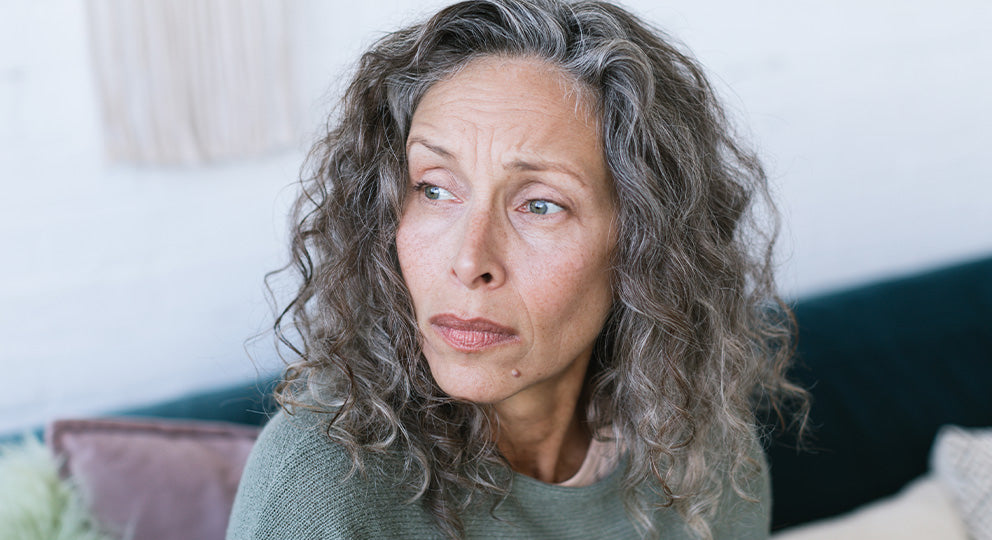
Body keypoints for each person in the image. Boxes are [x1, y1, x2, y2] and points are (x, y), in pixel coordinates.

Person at [227, 1, 807, 538]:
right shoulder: (321, 480)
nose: (470, 260)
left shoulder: (702, 451)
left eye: (540, 205)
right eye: (433, 189)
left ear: (643, 244)